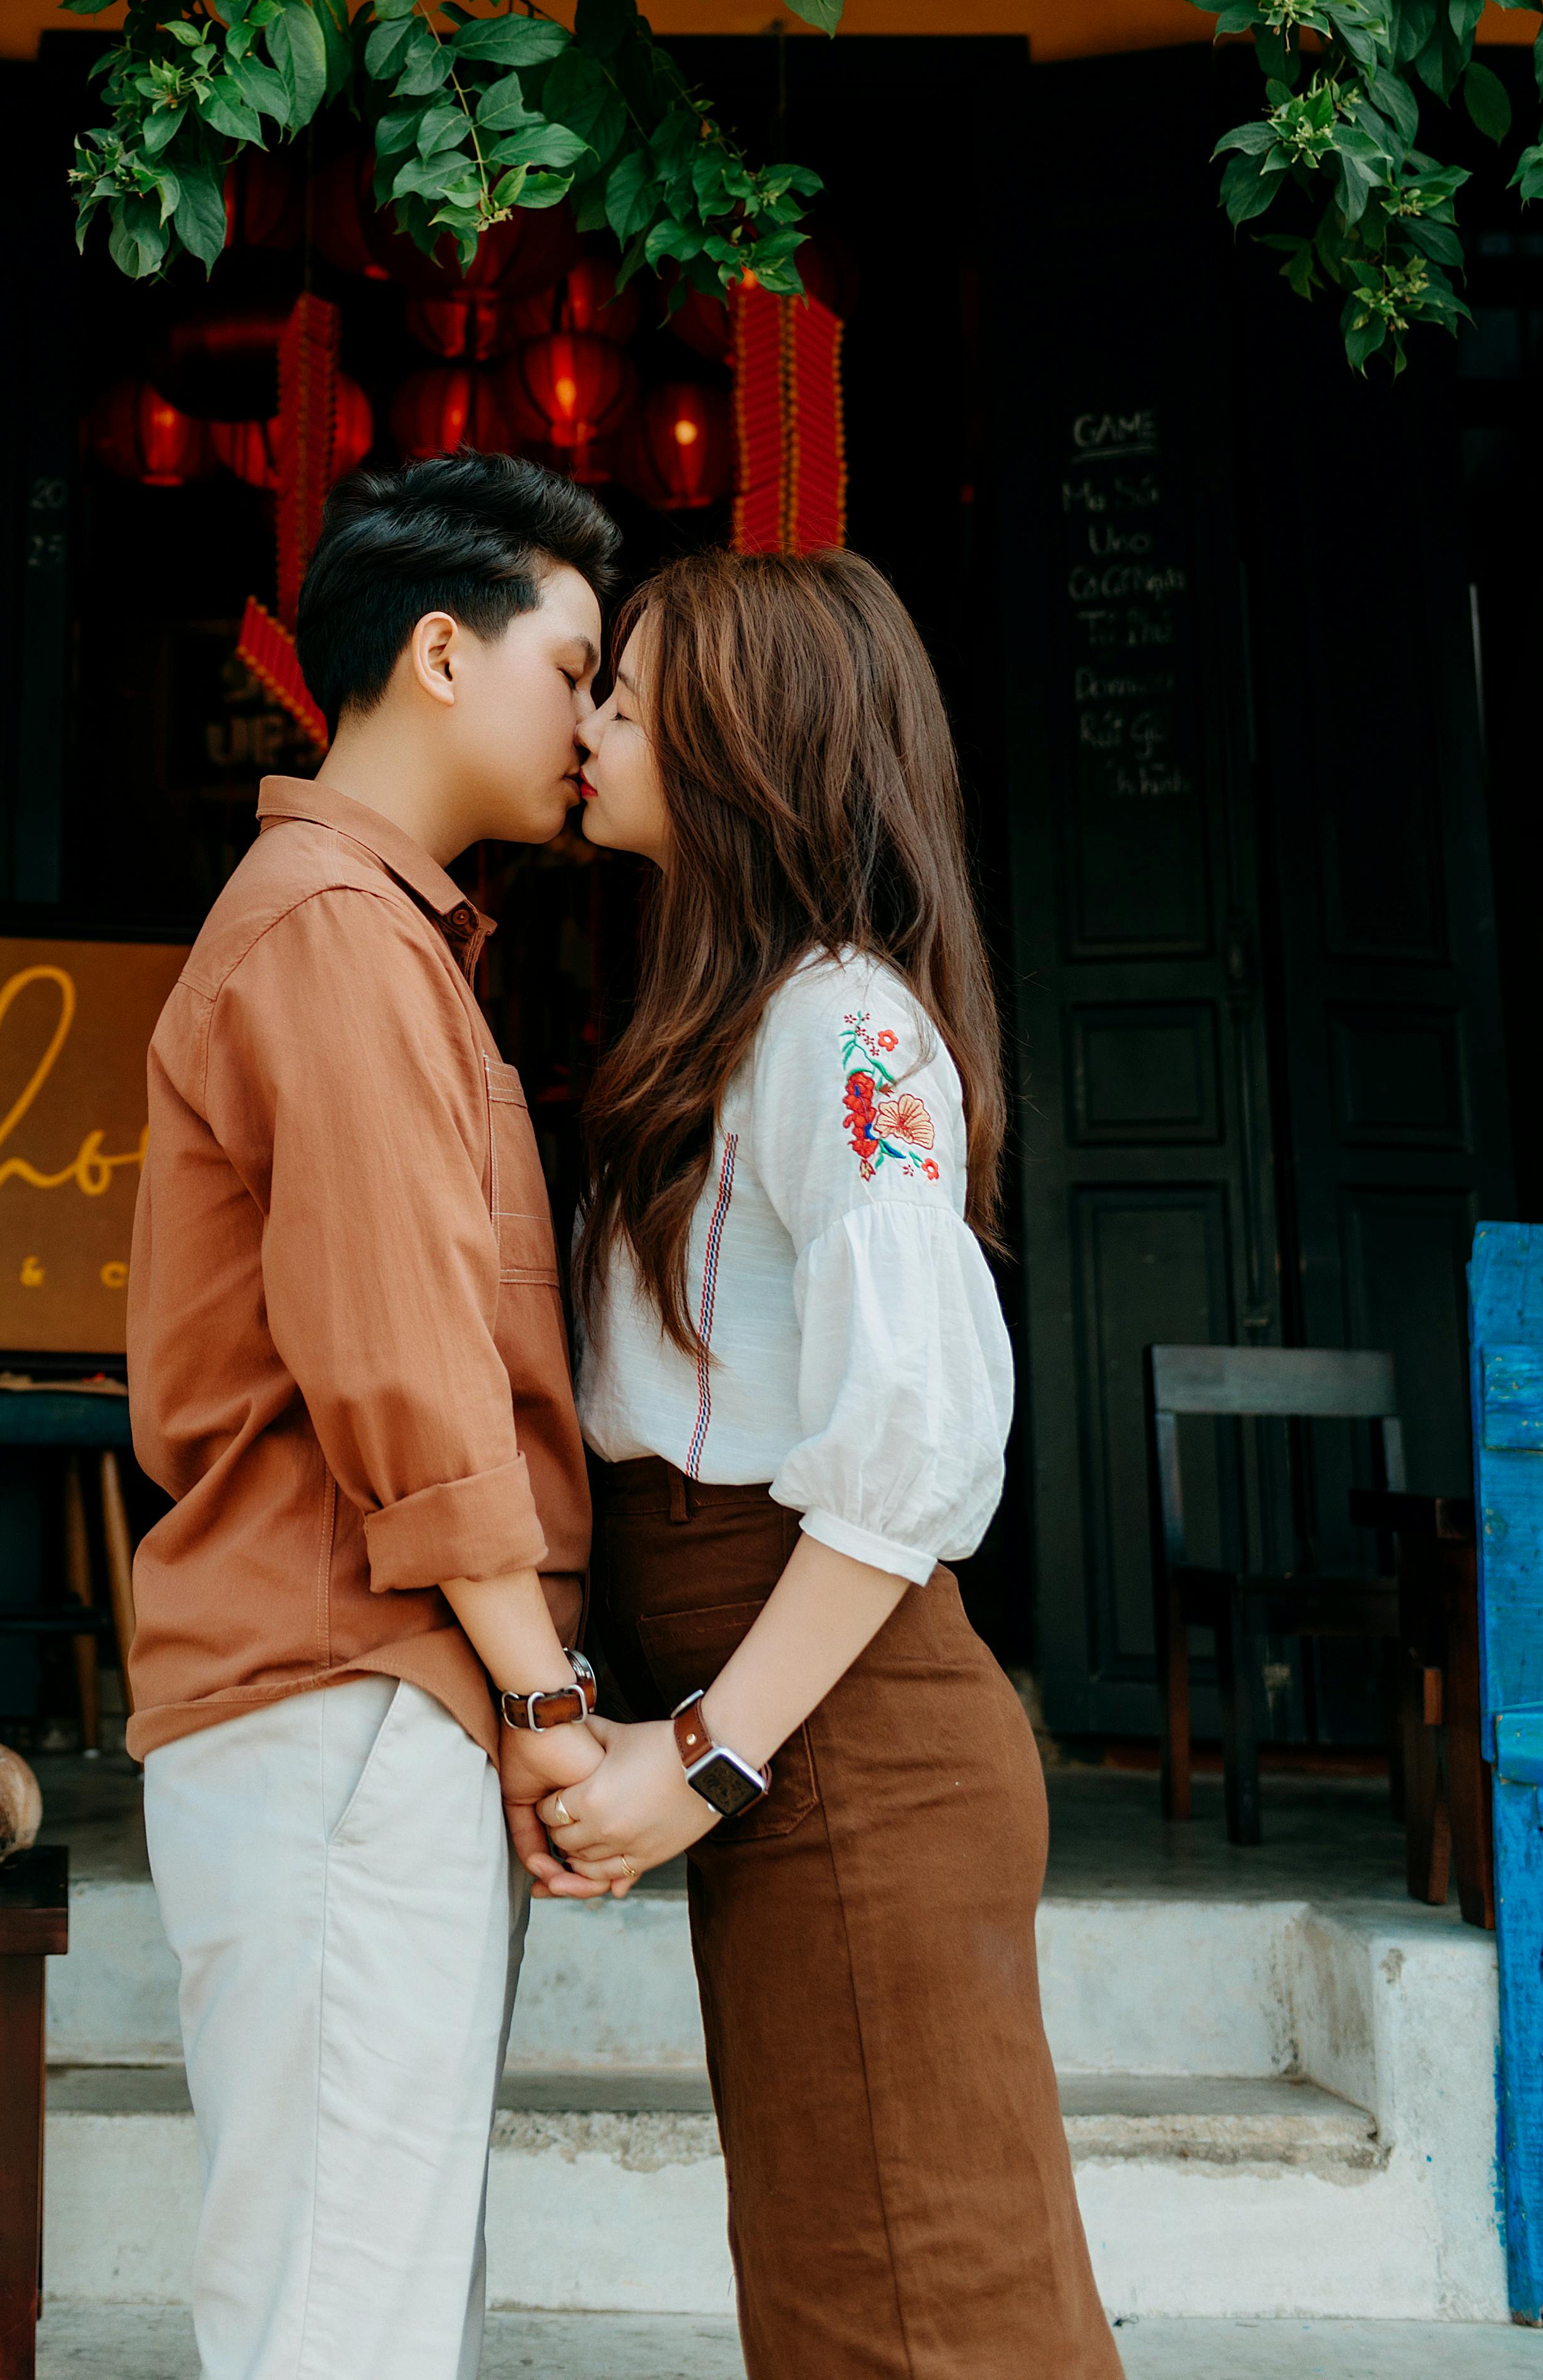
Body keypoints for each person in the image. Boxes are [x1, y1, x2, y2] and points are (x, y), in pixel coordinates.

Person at [542, 547, 1121, 2380]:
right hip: (795, 1729)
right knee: (849, 2294)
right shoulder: (738, 1016)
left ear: (748, 740)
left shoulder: (848, 1028)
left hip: (843, 1736)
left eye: (630, 689)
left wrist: (707, 1759)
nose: (594, 717)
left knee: (915, 2315)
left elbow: (911, 1448)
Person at [125, 453, 622, 2380]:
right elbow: (398, 1360)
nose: (590, 722)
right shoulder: (334, 928)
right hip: (350, 1688)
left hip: (363, 1694)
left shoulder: (373, 926)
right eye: (574, 667)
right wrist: (545, 1696)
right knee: (345, 2320)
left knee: (355, 2295)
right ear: (440, 650)